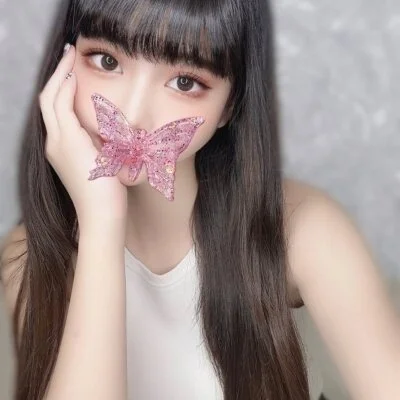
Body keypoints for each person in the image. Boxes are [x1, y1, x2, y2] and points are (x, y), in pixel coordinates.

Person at [0, 0, 399, 399]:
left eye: (185, 82)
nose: (134, 115)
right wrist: (101, 221)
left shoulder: (303, 227)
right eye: (107, 61)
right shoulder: (28, 259)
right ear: (64, 65)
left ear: (229, 105)